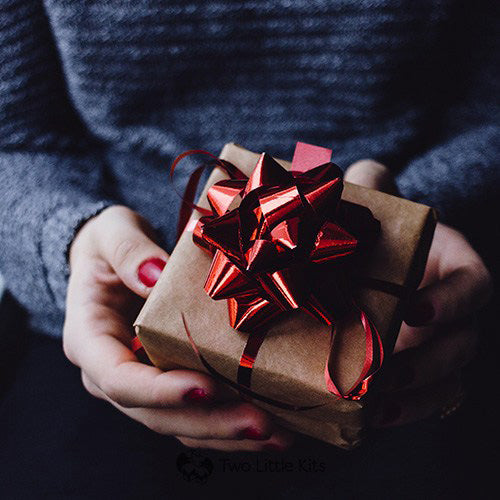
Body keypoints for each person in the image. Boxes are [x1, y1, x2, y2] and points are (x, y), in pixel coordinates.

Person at [0, 0, 497, 497]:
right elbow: (16, 137)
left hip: (412, 295)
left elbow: (489, 110)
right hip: (120, 298)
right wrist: (69, 237)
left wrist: (417, 222)